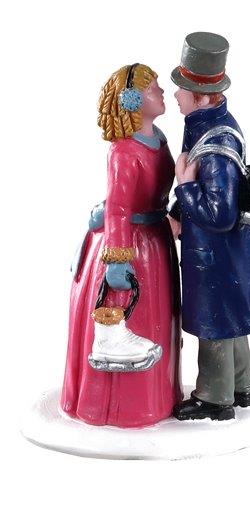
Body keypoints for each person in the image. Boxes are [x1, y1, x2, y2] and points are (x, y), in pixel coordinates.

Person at [62, 64, 182, 428]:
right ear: (132, 100)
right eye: (153, 88)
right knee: (128, 320)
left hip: (155, 240)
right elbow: (117, 208)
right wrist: (117, 260)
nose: (161, 92)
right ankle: (116, 406)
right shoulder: (124, 152)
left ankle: (158, 397)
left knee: (157, 322)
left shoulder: (159, 139)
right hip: (130, 244)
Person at [170, 32, 250, 421]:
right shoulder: (204, 124)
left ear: (201, 97)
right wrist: (178, 211)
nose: (176, 94)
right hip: (227, 254)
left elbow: (220, 213)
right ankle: (241, 386)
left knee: (215, 325)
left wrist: (184, 187)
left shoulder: (215, 147)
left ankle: (214, 397)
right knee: (232, 321)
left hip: (217, 255)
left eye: (182, 88)